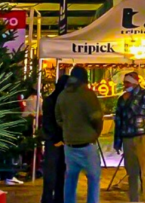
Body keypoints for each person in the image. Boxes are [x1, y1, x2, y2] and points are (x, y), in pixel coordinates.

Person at [56, 66, 103, 203]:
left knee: (70, 178)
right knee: (94, 178)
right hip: (87, 144)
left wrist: (67, 129)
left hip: (70, 144)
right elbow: (96, 118)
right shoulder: (87, 94)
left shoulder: (63, 95)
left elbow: (58, 118)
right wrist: (95, 133)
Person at [114, 72, 145, 203]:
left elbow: (140, 112)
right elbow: (119, 120)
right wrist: (117, 141)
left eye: (127, 83)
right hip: (128, 137)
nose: (125, 86)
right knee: (132, 173)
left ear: (133, 83)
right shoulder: (122, 99)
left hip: (143, 136)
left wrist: (129, 100)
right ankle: (134, 200)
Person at [42, 75, 68, 203]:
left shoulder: (51, 100)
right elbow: (48, 122)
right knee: (55, 172)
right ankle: (54, 198)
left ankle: (52, 198)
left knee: (56, 172)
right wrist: (58, 138)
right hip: (55, 141)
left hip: (56, 140)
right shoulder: (55, 101)